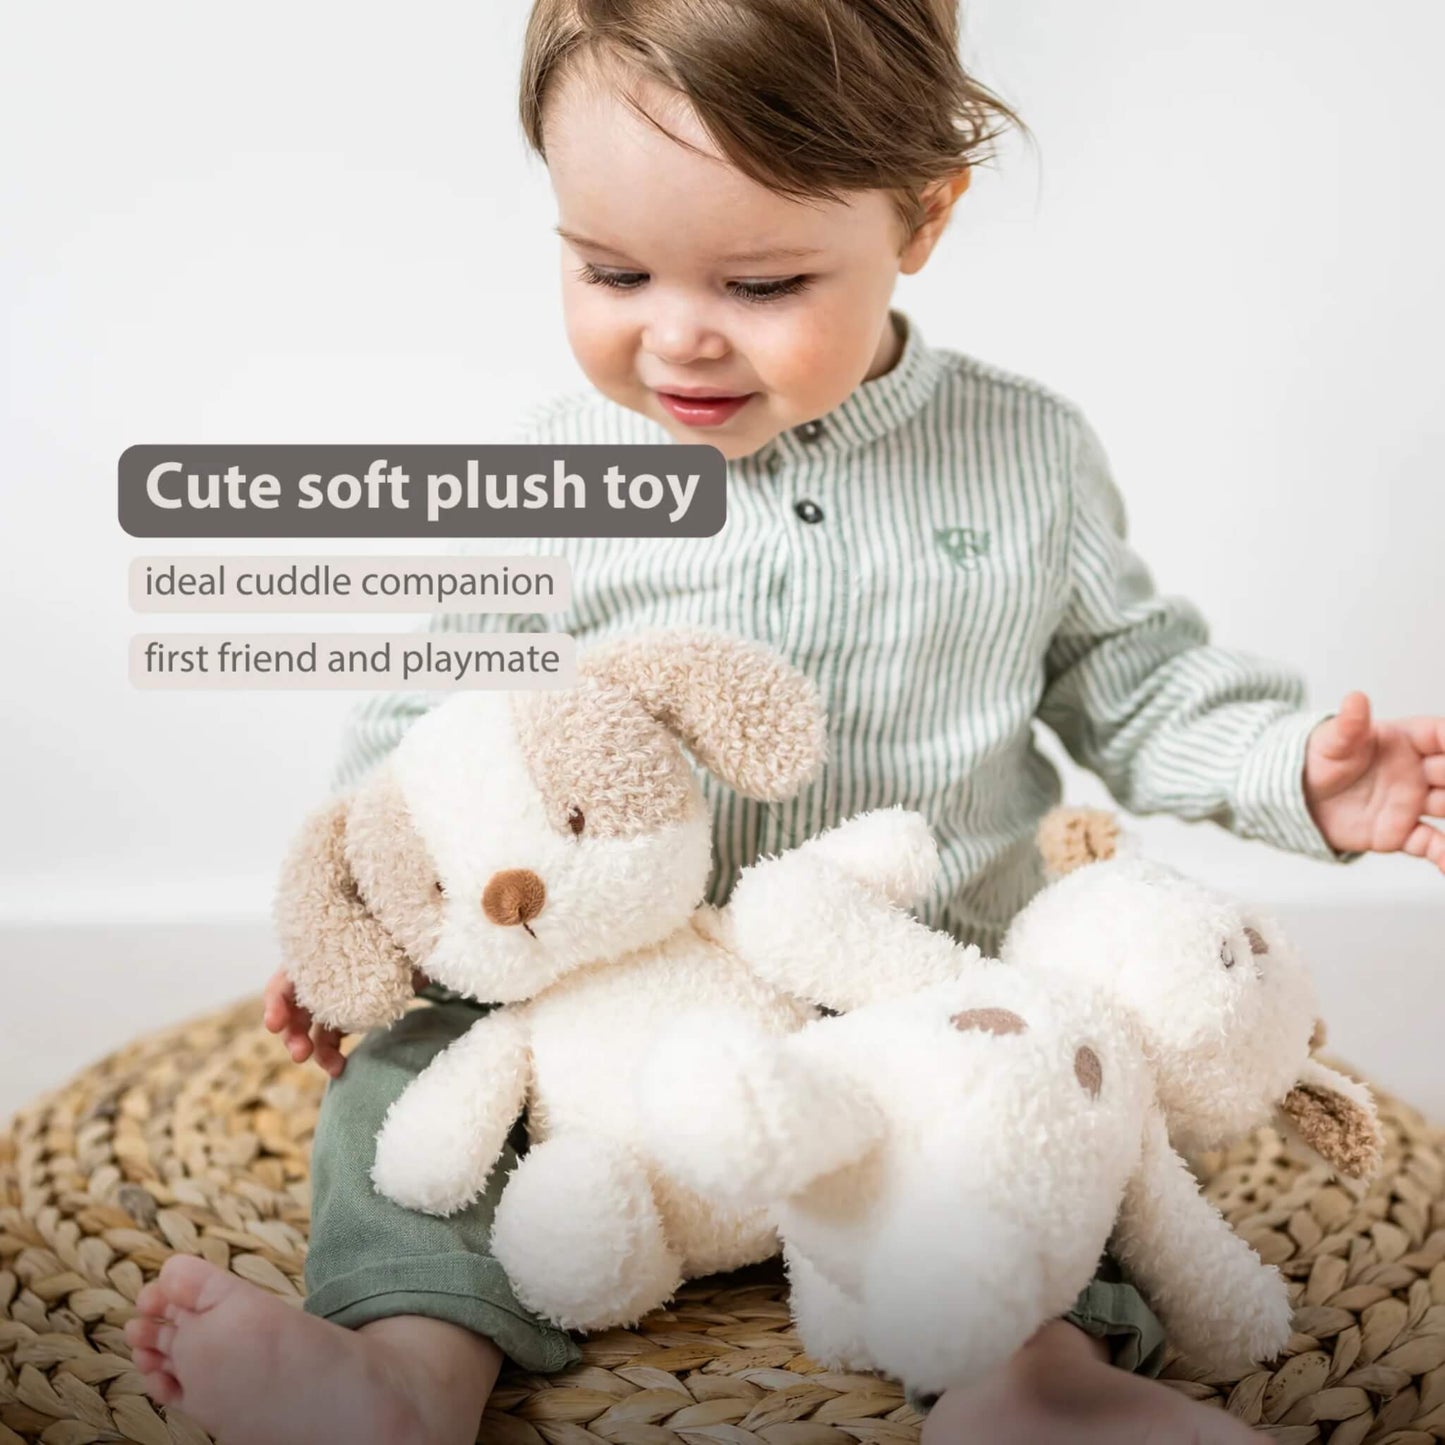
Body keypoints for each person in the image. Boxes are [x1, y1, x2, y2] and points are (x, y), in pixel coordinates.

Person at [123, 2, 1445, 1442]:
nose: (677, 334)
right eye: (611, 270)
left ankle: (1032, 1376)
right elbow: (428, 724)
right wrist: (362, 930)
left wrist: (1291, 773)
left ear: (921, 216)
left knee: (1054, 1095)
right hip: (600, 1002)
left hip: (918, 991)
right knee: (408, 1089)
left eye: (760, 283)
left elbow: (1135, 681)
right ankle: (406, 1365)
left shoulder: (1023, 456)